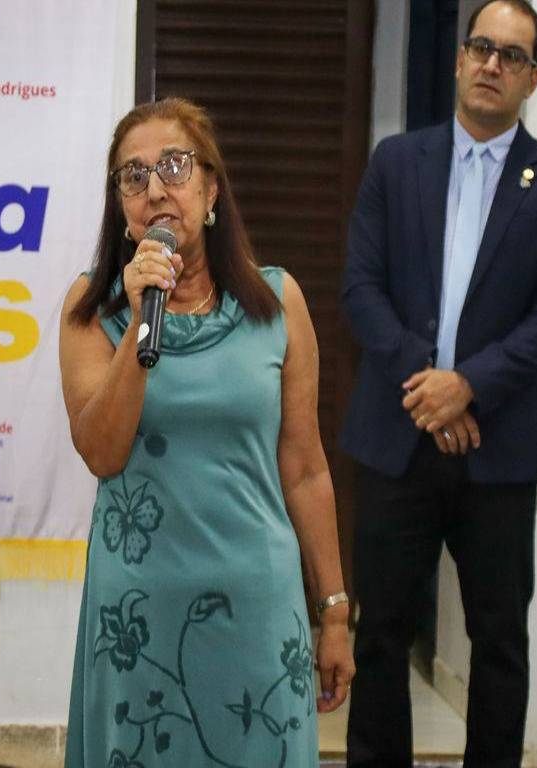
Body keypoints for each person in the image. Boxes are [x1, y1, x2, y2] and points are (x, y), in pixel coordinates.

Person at [60, 97, 355, 768]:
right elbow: (101, 450)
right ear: (120, 206)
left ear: (211, 188)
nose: (155, 189)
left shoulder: (278, 302)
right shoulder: (92, 310)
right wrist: (140, 322)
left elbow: (305, 468)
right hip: (142, 618)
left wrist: (335, 611)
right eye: (133, 176)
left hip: (258, 609)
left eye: (174, 166)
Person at [341, 1, 537, 765]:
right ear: (458, 60)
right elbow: (361, 290)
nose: (492, 64)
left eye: (512, 55)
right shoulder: (395, 163)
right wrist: (431, 389)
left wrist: (469, 387)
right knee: (381, 634)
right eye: (482, 47)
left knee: (499, 642)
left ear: (532, 79)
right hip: (397, 437)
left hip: (498, 449)